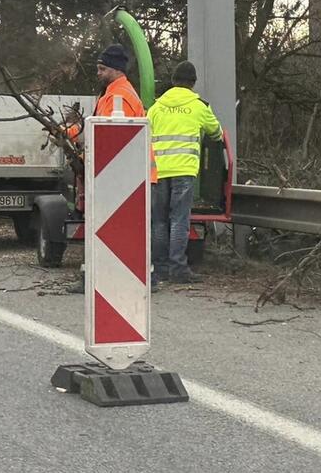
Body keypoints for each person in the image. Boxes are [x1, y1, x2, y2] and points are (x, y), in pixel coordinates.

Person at [64, 44, 155, 294]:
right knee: (121, 231)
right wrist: (69, 135)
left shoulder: (119, 97)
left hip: (121, 176)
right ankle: (136, 277)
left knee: (102, 229)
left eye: (102, 68)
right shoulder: (114, 93)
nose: (98, 73)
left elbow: (114, 140)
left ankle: (95, 279)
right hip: (124, 175)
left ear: (116, 69)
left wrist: (88, 157)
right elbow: (95, 130)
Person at [147, 60, 223, 287]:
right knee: (179, 220)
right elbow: (216, 132)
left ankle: (159, 269)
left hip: (158, 171)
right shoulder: (199, 106)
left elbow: (143, 131)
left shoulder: (156, 107)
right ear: (193, 83)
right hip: (184, 171)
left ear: (172, 81)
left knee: (159, 221)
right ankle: (178, 269)